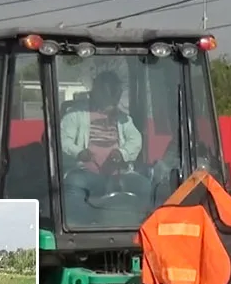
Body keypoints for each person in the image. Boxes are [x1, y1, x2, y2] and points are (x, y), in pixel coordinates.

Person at [58, 71, 157, 206]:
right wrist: (79, 152)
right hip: (85, 172)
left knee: (144, 186)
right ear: (96, 91)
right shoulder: (76, 114)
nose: (111, 96)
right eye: (106, 90)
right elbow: (63, 140)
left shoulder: (123, 119)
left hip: (120, 174)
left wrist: (122, 153)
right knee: (75, 184)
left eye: (114, 92)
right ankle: (77, 223)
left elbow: (135, 140)